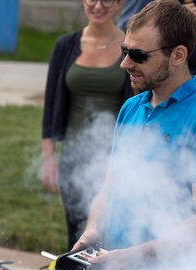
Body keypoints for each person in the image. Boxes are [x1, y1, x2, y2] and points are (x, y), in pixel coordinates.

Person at [76, 0, 196, 270]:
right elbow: (109, 189)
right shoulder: (132, 107)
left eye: (138, 55)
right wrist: (93, 229)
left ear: (178, 55)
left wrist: (134, 256)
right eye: (125, 51)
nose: (124, 63)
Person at [40, 0, 134, 247]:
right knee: (76, 232)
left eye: (107, 0)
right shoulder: (65, 46)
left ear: (120, 4)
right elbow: (50, 102)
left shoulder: (130, 46)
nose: (98, 6)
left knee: (110, 233)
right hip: (74, 153)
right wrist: (48, 156)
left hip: (115, 156)